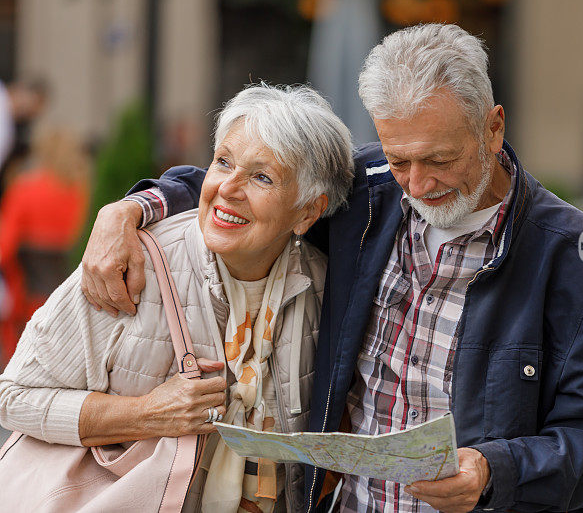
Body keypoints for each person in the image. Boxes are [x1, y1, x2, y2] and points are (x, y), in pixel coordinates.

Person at [81, 24, 583, 513]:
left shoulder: (574, 258)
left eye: (440, 160)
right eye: (401, 158)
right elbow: (244, 186)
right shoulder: (369, 190)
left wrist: (493, 472)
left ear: (493, 128)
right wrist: (129, 209)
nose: (418, 184)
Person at [0, 83, 354, 512]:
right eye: (223, 162)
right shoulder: (128, 263)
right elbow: (14, 396)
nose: (228, 187)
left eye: (262, 177)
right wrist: (145, 414)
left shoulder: (325, 287)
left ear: (307, 213)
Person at [0, 129, 90, 362]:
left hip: (25, 294)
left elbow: (4, 246)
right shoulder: (80, 192)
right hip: (67, 292)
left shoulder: (25, 188)